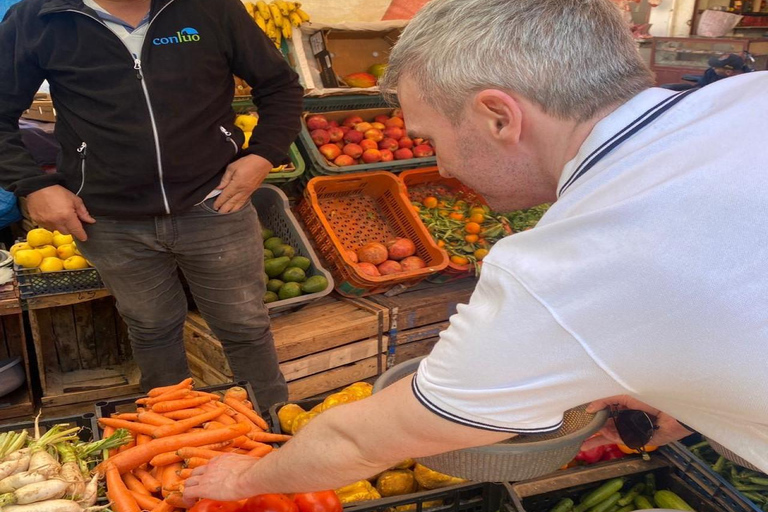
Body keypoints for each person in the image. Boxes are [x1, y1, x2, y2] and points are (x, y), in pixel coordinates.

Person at [184, 0, 768, 502]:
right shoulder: (746, 98)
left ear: (498, 117)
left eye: (433, 139)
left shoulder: (564, 267)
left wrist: (241, 479)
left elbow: (359, 441)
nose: (439, 167)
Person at [0, 0, 303, 409]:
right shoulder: (39, 17)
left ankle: (273, 425)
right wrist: (33, 186)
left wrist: (264, 154)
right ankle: (175, 431)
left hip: (216, 205)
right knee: (152, 327)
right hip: (108, 219)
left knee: (245, 326)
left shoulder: (209, 8)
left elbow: (280, 85)